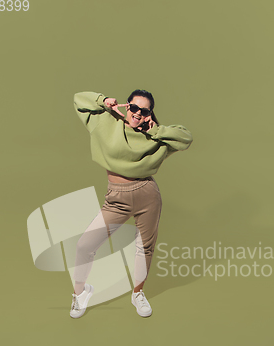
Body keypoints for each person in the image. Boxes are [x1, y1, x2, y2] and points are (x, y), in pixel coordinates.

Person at [70, 89, 193, 319]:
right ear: (128, 106)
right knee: (84, 246)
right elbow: (78, 100)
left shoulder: (155, 138)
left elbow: (186, 138)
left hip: (147, 195)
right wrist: (103, 101)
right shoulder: (107, 121)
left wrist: (155, 129)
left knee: (144, 247)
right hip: (116, 198)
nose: (137, 113)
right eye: (134, 107)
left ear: (149, 114)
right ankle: (79, 294)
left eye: (144, 111)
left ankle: (138, 293)